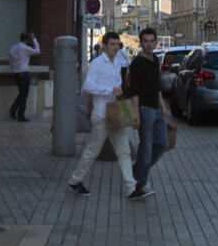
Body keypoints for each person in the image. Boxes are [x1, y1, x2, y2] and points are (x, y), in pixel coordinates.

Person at [68, 31, 137, 197]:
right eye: (112, 44)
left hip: (115, 112)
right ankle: (75, 180)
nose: (115, 47)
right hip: (101, 113)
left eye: (118, 44)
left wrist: (118, 92)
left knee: (123, 149)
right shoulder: (98, 63)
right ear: (104, 46)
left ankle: (131, 187)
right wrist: (108, 90)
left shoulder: (119, 63)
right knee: (93, 150)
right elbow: (87, 86)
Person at [127, 27, 170, 201]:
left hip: (157, 109)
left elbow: (157, 86)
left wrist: (163, 107)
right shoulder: (137, 63)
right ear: (140, 42)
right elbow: (134, 91)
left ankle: (136, 172)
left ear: (156, 42)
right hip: (144, 110)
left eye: (152, 41)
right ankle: (141, 184)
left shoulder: (155, 60)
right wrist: (135, 114)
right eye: (146, 41)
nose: (149, 44)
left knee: (162, 144)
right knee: (145, 147)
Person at [8, 31, 40, 122]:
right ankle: (20, 115)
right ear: (27, 39)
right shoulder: (25, 48)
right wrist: (35, 39)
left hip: (16, 73)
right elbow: (37, 51)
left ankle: (13, 110)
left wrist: (13, 68)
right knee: (24, 95)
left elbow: (10, 60)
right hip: (24, 73)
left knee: (21, 93)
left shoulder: (13, 47)